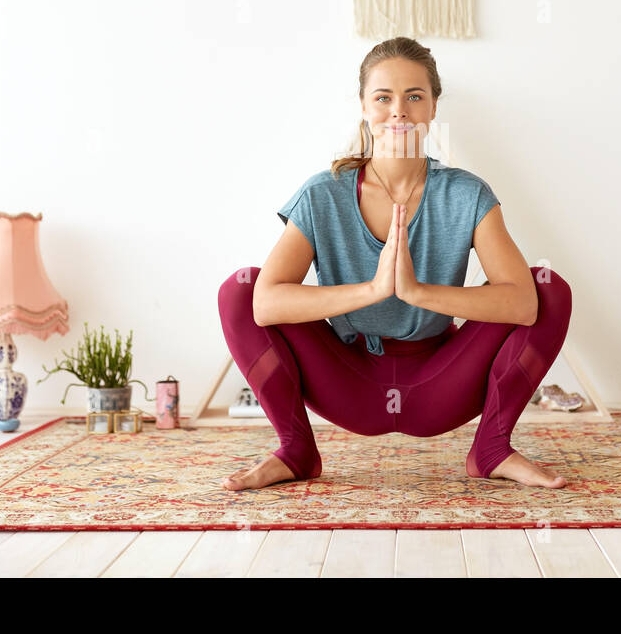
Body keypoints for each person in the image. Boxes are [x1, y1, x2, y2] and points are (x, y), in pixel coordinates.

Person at [217, 36, 573, 489]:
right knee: (241, 287)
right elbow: (264, 305)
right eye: (384, 97)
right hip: (348, 382)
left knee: (547, 286)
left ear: (433, 108)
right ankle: (296, 450)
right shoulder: (322, 193)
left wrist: (418, 292)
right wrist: (372, 290)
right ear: (364, 105)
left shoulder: (467, 193)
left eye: (414, 97)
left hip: (441, 386)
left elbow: (524, 304)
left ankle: (491, 448)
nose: (399, 111)